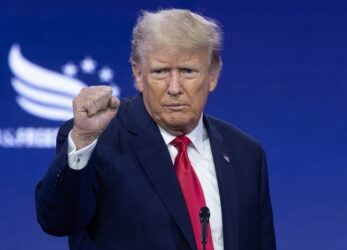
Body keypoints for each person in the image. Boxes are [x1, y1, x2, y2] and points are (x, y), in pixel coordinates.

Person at [35, 9, 276, 250]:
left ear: (213, 74)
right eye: (160, 71)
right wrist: (84, 138)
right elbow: (57, 220)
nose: (174, 87)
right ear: (138, 74)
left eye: (187, 71)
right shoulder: (100, 140)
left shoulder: (245, 154)